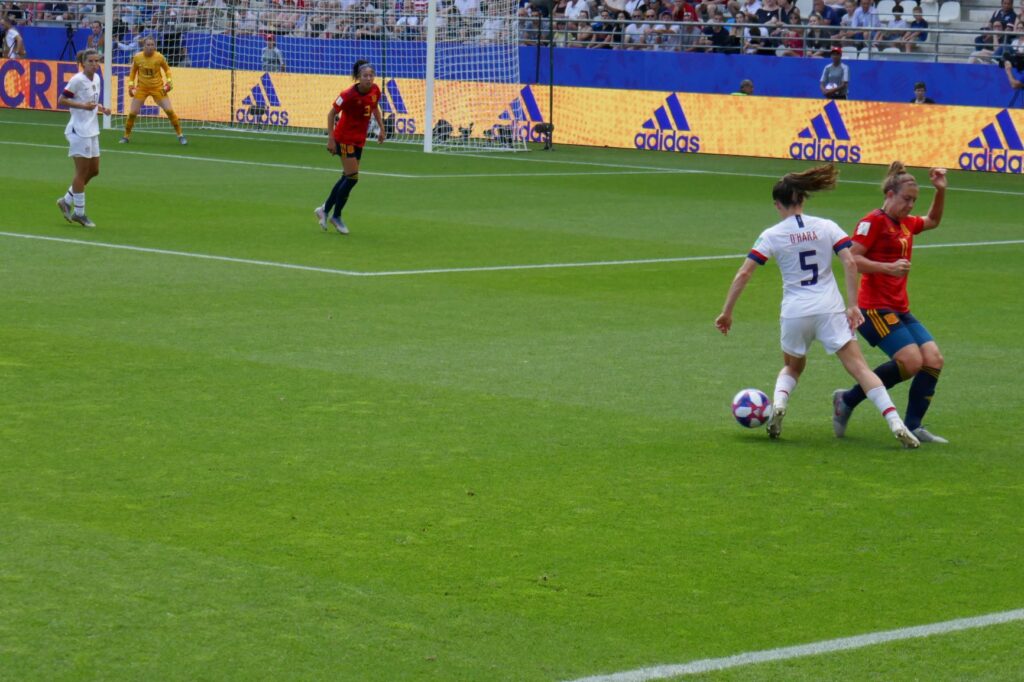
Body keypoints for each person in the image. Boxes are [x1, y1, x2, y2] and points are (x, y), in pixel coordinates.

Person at [715, 164, 919, 447]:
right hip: (830, 309)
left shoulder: (772, 234)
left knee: (792, 367)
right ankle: (896, 422)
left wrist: (727, 312)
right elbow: (850, 262)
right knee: (861, 369)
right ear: (803, 199)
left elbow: (744, 273)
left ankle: (779, 405)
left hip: (795, 312)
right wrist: (852, 305)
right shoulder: (826, 226)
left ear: (778, 204)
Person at [832, 162, 948, 445]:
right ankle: (847, 400)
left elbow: (932, 221)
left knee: (933, 359)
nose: (910, 206)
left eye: (914, 201)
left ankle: (913, 426)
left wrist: (940, 191)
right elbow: (851, 259)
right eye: (906, 199)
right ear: (890, 194)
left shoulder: (906, 223)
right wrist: (887, 267)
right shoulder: (872, 222)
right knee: (911, 362)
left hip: (899, 308)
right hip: (872, 309)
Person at [315, 59, 385, 235]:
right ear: (358, 77)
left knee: (347, 177)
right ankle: (336, 216)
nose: (368, 78)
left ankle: (324, 209)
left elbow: (374, 108)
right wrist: (331, 139)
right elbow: (331, 114)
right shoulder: (347, 95)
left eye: (371, 75)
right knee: (353, 178)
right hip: (344, 138)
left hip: (359, 139)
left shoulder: (375, 90)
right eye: (365, 76)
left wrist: (382, 128)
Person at [56, 49, 111, 229]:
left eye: (97, 61)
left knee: (94, 170)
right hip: (79, 131)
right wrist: (82, 106)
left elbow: (91, 101)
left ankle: (66, 200)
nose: (95, 64)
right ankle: (79, 213)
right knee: (81, 172)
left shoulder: (97, 78)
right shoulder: (77, 80)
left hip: (92, 129)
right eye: (91, 61)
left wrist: (101, 108)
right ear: (83, 63)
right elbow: (61, 100)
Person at [120, 37, 187, 145]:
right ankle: (126, 136)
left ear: (155, 46)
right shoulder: (137, 57)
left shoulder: (159, 57)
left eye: (152, 45)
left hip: (157, 88)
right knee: (132, 113)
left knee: (169, 111)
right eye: (148, 45)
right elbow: (132, 73)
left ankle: (180, 135)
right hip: (142, 89)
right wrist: (131, 85)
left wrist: (169, 82)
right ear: (144, 46)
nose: (150, 47)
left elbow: (167, 70)